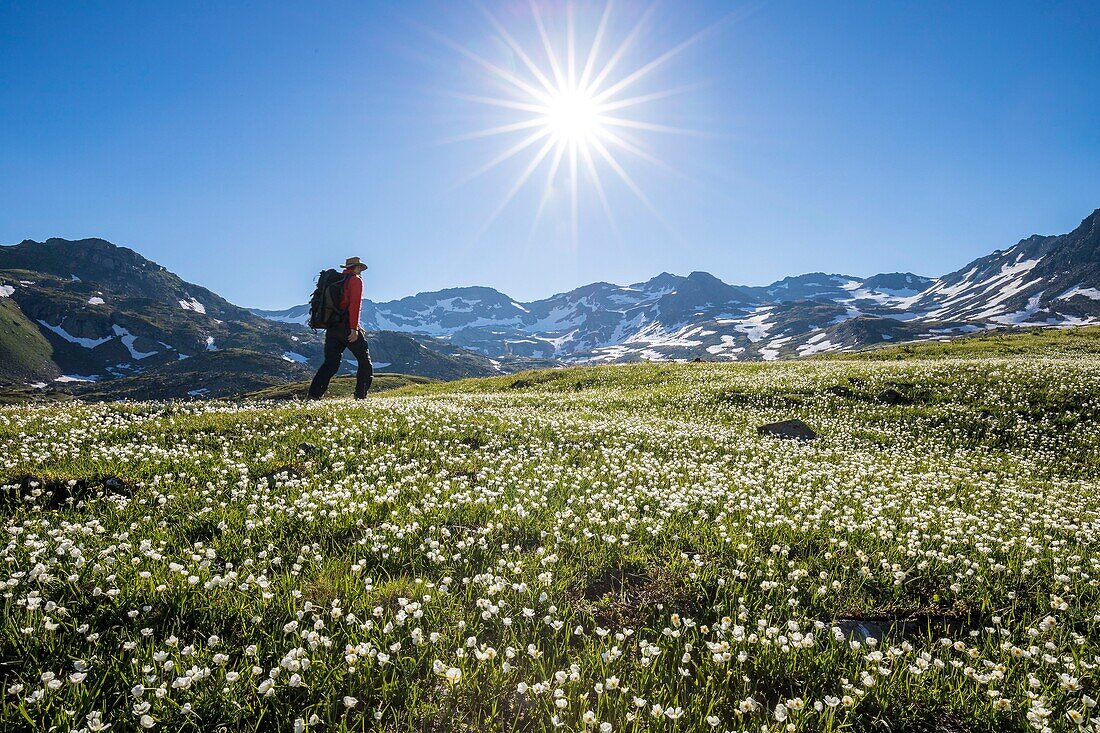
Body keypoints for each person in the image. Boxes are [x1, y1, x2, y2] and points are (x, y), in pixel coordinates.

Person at [308, 256, 373, 400]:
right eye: (360, 268)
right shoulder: (355, 281)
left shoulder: (337, 281)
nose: (361, 270)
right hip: (346, 327)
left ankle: (313, 396)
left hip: (332, 328)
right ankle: (360, 397)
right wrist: (354, 328)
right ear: (356, 268)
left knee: (330, 363)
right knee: (364, 361)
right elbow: (355, 305)